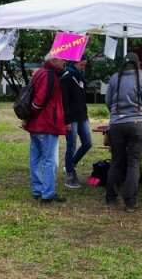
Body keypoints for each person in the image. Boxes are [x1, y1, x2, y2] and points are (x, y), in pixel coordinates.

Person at [104, 52, 142, 213]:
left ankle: (111, 197)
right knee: (133, 163)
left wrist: (115, 114)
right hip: (137, 123)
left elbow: (108, 101)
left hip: (117, 124)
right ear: (138, 64)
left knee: (116, 161)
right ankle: (130, 202)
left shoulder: (114, 77)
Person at [21, 54, 68, 203]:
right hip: (46, 124)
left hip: (36, 124)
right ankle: (47, 194)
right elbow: (39, 101)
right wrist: (32, 114)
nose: (65, 62)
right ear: (54, 60)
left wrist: (28, 117)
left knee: (36, 159)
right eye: (63, 59)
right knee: (50, 161)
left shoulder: (39, 72)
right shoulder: (49, 75)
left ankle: (38, 190)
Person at [61, 55, 92, 189]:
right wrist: (66, 121)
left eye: (85, 65)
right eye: (81, 65)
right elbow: (64, 102)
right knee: (71, 146)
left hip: (81, 117)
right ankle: (69, 176)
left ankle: (70, 164)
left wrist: (86, 115)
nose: (83, 68)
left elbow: (82, 99)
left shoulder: (80, 78)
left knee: (87, 143)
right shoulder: (66, 79)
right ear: (74, 64)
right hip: (71, 118)